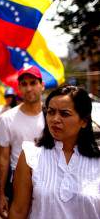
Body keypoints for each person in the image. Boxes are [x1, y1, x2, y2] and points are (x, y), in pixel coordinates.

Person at [9, 85, 100, 219]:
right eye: (51, 112)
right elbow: (18, 211)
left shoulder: (97, 161)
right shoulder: (30, 155)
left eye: (65, 114)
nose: (55, 119)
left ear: (84, 121)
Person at [0, 65, 45, 219]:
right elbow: (3, 158)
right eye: (24, 84)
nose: (29, 88)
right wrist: (1, 193)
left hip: (48, 181)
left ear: (41, 85)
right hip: (18, 183)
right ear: (19, 88)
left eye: (33, 83)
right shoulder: (6, 118)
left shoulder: (53, 116)